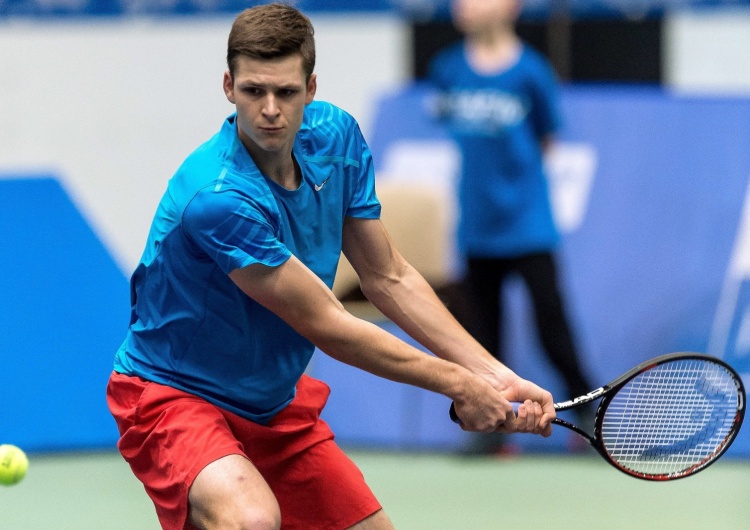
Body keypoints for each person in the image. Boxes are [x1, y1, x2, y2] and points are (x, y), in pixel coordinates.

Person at [106, 4, 556, 530]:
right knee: (250, 519)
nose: (270, 109)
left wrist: (495, 376)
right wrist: (460, 385)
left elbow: (389, 277)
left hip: (272, 401)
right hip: (175, 394)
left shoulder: (337, 138)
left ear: (311, 87)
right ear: (228, 86)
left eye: (286, 92)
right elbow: (327, 324)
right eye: (254, 91)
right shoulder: (219, 196)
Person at [427, 0, 594, 454]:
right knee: (483, 337)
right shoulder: (447, 69)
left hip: (528, 225)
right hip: (476, 229)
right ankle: (493, 434)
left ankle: (589, 416)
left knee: (551, 325)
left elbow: (547, 138)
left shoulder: (532, 72)